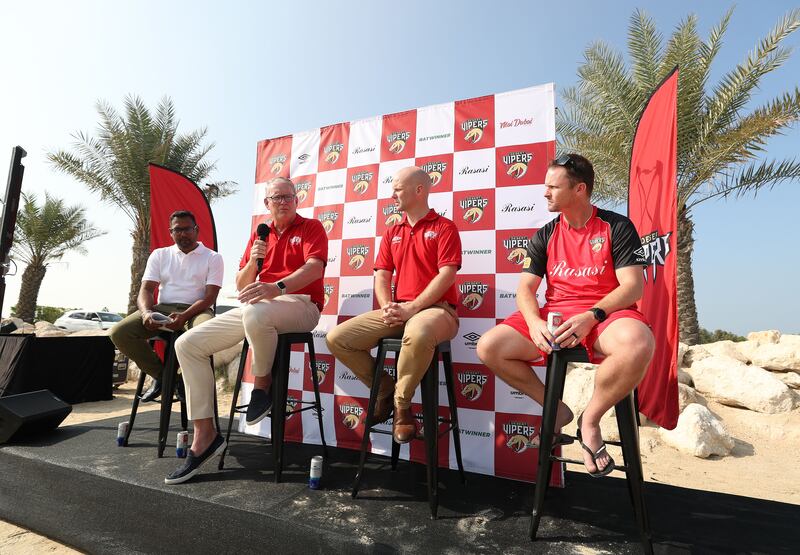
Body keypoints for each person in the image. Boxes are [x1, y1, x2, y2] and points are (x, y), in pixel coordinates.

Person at [477, 153, 654, 477]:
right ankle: (555, 410)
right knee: (489, 347)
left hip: (605, 314)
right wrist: (534, 323)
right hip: (555, 313)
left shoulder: (617, 226)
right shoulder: (545, 233)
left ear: (579, 190)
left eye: (552, 187)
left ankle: (590, 421)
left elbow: (633, 287)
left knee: (638, 342)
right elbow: (525, 290)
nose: (545, 193)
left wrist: (592, 315)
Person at [165, 177, 327, 484]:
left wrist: (275, 287)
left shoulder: (311, 227)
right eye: (276, 197)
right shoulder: (260, 234)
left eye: (289, 196)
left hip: (301, 305)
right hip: (258, 308)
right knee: (187, 344)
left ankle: (261, 386)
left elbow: (315, 269)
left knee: (256, 311)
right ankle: (206, 434)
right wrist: (254, 260)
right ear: (266, 204)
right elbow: (241, 284)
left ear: (297, 200)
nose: (283, 201)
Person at [326, 166, 461, 444]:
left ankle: (402, 406)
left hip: (439, 311)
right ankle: (385, 390)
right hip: (401, 310)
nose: (392, 194)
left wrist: (412, 308)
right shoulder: (392, 232)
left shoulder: (444, 227)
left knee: (419, 332)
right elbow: (382, 275)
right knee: (338, 338)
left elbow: (446, 275)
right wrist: (388, 306)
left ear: (419, 190)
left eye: (398, 188)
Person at [110, 210, 223, 402]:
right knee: (119, 332)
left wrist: (185, 316)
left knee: (204, 330)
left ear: (196, 230)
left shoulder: (212, 257)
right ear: (171, 232)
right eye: (177, 230)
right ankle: (166, 378)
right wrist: (146, 313)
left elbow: (210, 297)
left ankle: (183, 382)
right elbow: (146, 290)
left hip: (196, 310)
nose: (182, 234)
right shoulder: (160, 255)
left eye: (187, 229)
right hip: (162, 308)